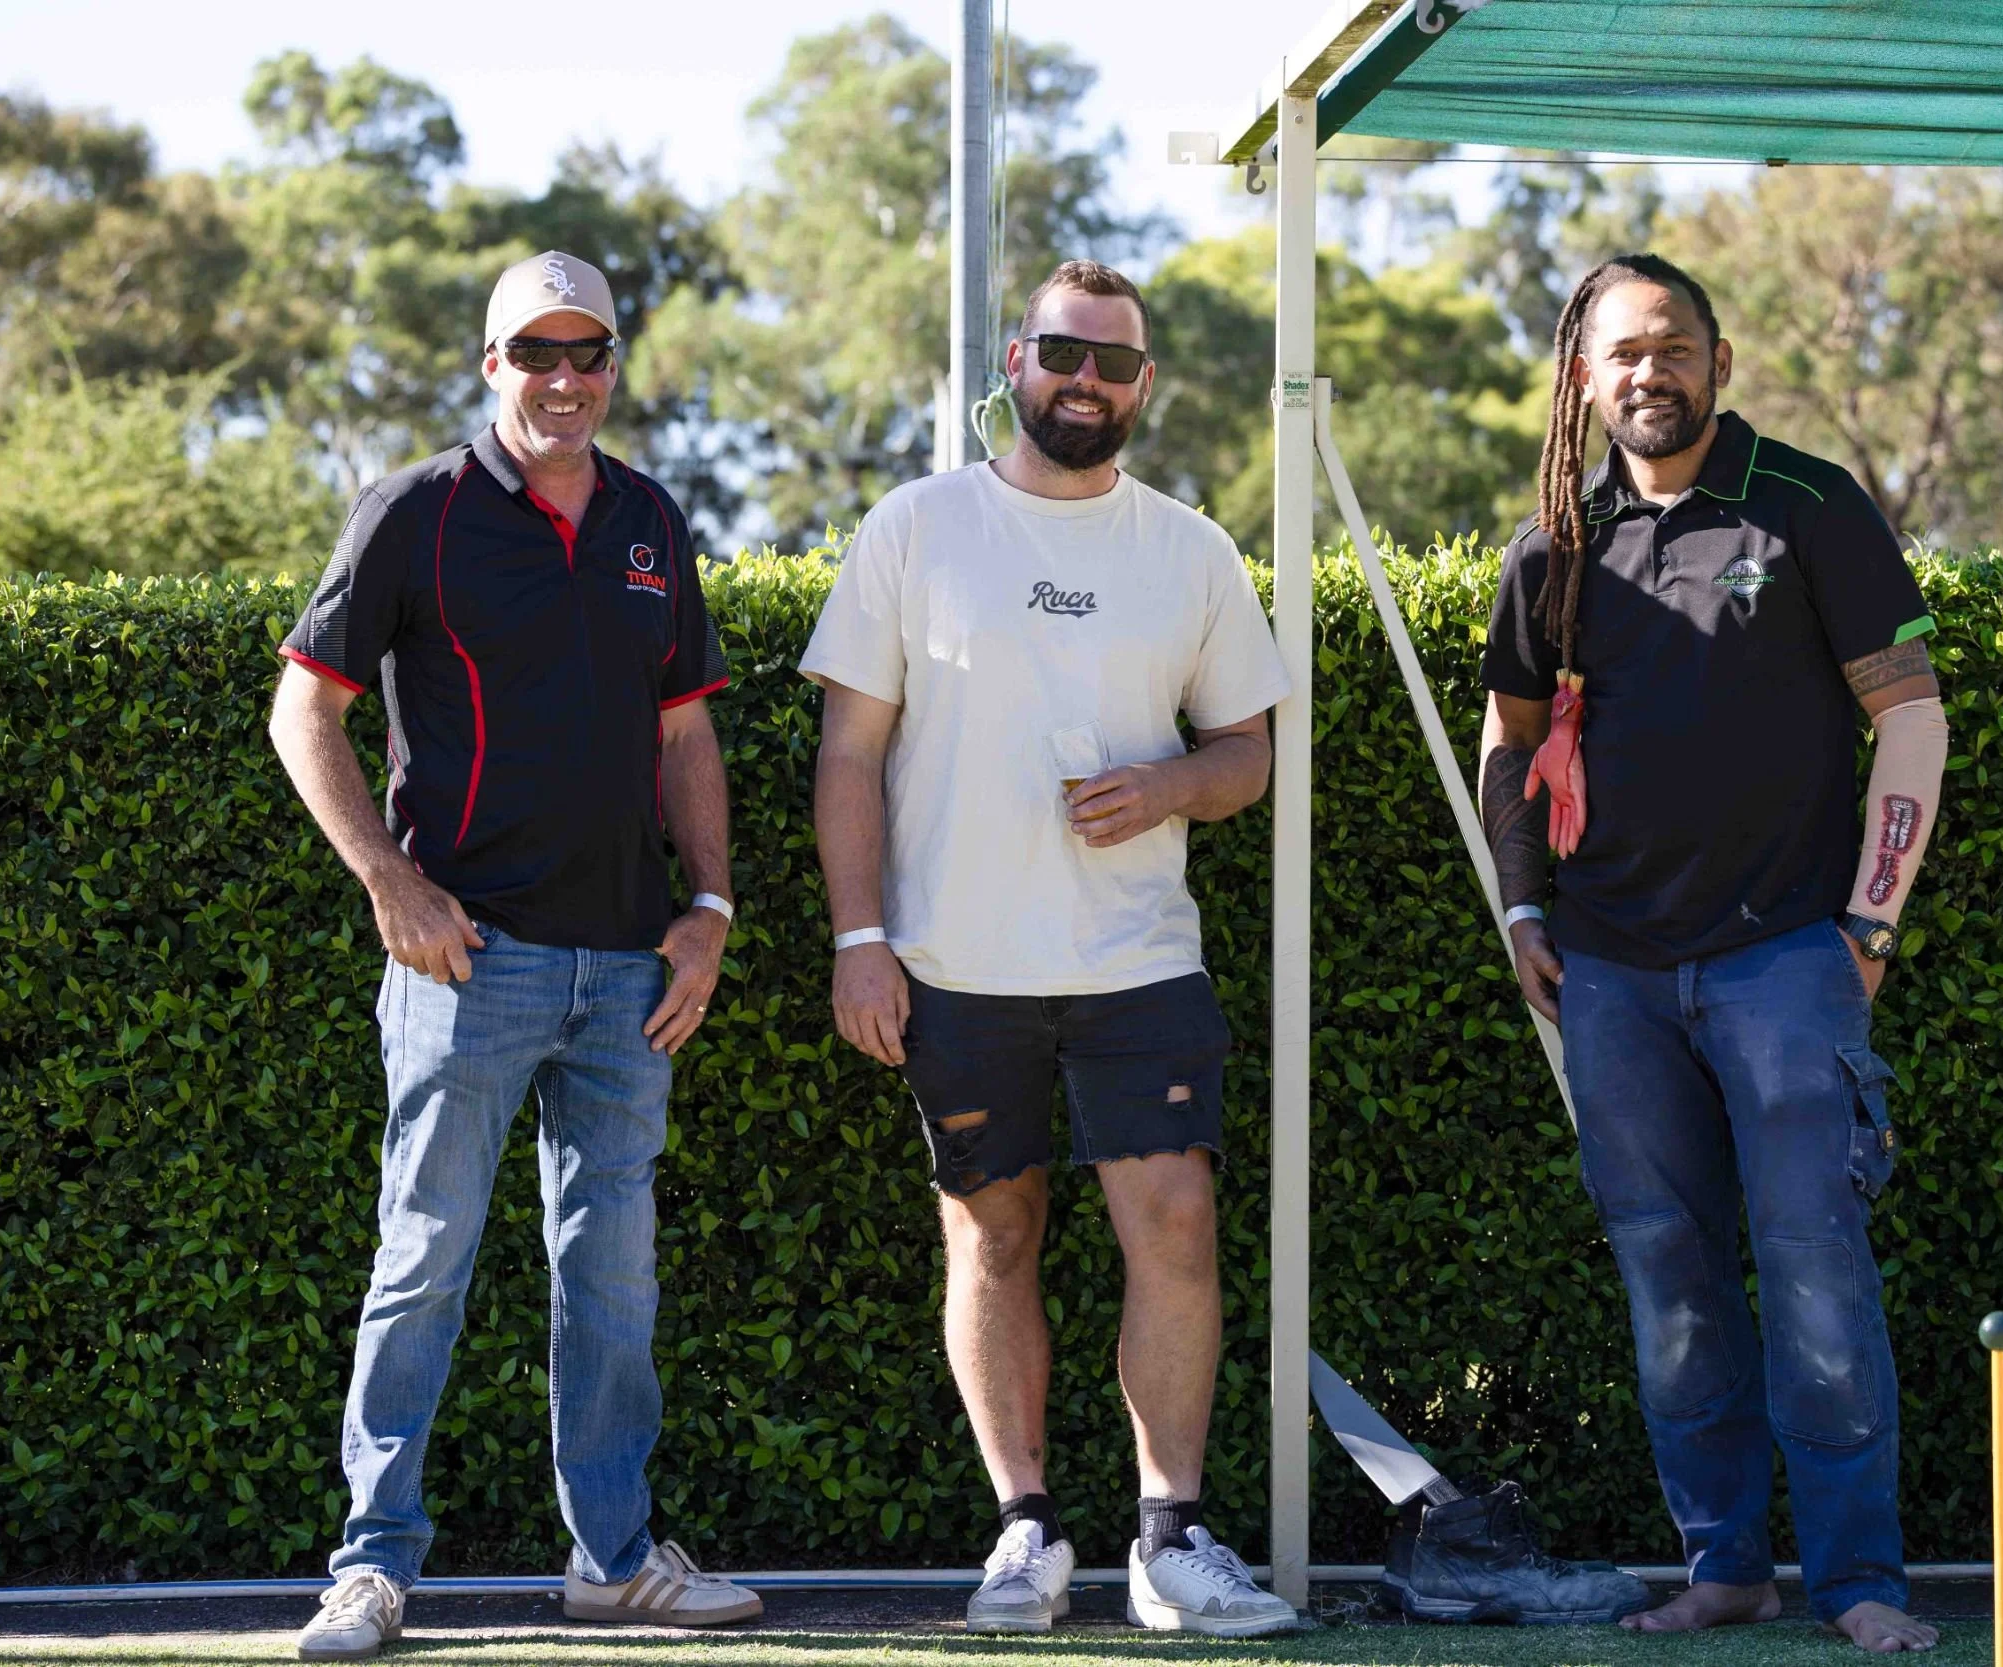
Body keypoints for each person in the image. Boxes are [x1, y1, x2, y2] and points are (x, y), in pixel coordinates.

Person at [270, 250, 759, 1662]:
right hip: (464, 964)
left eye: (586, 351)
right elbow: (306, 713)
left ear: (614, 364)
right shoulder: (415, 513)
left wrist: (710, 909)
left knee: (612, 1278)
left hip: (627, 977)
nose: (563, 378)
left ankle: (613, 1561)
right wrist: (389, 881)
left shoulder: (653, 520)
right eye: (532, 353)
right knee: (421, 1260)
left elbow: (685, 733)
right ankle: (368, 1567)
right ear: (490, 367)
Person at [800, 260, 1296, 1637]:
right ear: (1016, 357)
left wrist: (1170, 786)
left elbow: (1246, 752)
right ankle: (1024, 1531)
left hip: (1140, 964)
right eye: (1065, 354)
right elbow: (849, 752)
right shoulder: (914, 527)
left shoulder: (1188, 549)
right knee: (992, 1235)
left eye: (1115, 365)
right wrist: (860, 939)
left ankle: (1170, 1538)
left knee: (1177, 1225)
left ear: (1144, 388)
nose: (1087, 382)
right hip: (956, 967)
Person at [1477, 253, 1949, 1656]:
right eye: (1619, 350)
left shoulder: (1810, 507)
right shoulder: (1552, 543)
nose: (1647, 369)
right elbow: (1509, 734)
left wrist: (1871, 920)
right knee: (1671, 1284)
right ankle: (1725, 1563)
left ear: (1719, 360)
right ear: (1583, 376)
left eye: (1671, 343)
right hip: (1613, 974)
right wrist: (1520, 908)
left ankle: (1861, 1578)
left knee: (1817, 1272)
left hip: (1788, 959)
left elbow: (1910, 716)